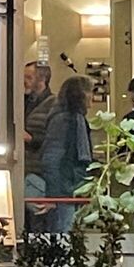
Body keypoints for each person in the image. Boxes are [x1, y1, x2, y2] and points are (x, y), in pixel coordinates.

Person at [39, 75, 95, 225]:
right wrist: (54, 196)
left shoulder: (70, 118)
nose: (92, 96)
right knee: (63, 232)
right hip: (65, 190)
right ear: (81, 94)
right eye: (90, 91)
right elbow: (52, 158)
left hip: (70, 189)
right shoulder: (65, 120)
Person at [21, 60, 57, 233]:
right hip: (24, 170)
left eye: (29, 77)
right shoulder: (22, 102)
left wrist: (30, 139)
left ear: (41, 79)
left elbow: (53, 140)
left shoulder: (53, 105)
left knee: (39, 223)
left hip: (39, 172)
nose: (24, 81)